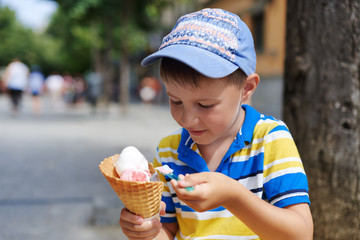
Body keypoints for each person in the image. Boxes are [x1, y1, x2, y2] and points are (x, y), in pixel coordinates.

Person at [119, 8, 313, 240]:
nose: (187, 119)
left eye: (205, 105)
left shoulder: (270, 140)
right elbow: (168, 230)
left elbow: (300, 234)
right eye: (175, 101)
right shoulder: (168, 152)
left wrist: (233, 196)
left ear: (246, 89)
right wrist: (147, 231)